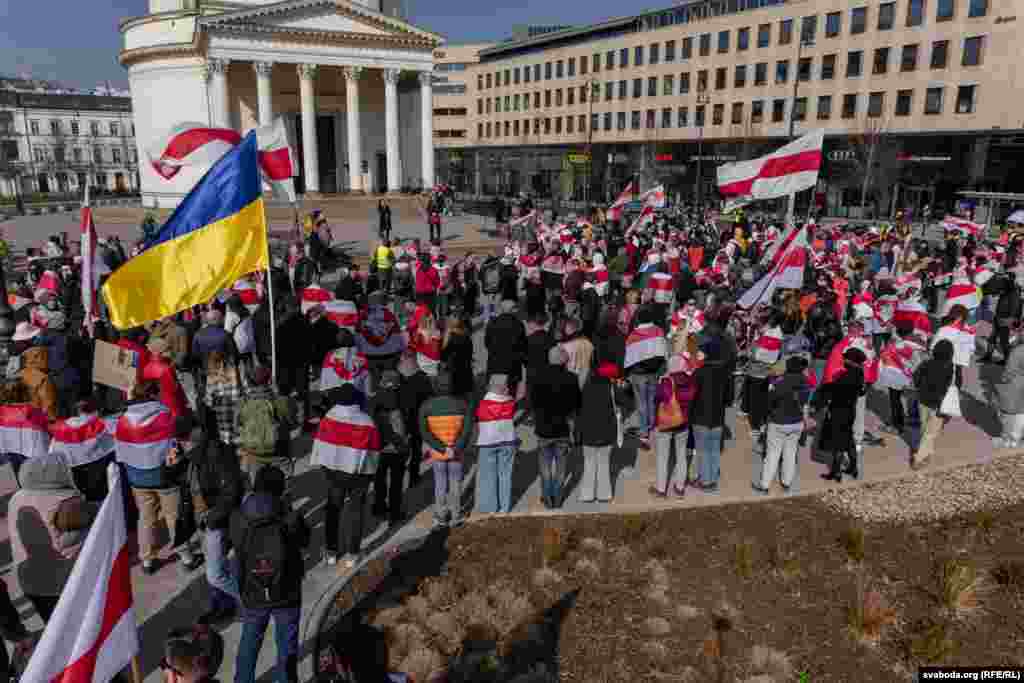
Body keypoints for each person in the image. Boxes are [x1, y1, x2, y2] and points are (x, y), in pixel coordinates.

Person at [231, 465, 309, 683]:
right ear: (281, 489)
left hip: (252, 588)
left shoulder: (239, 516)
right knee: (286, 642)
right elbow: (305, 541)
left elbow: (235, 544)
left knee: (250, 638)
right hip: (287, 589)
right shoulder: (290, 516)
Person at [116, 380, 198, 575]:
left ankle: (147, 560)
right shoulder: (166, 416)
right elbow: (178, 444)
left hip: (137, 478)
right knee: (173, 517)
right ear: (154, 395)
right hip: (165, 477)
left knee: (146, 518)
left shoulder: (123, 421)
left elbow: (121, 453)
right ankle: (186, 556)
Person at [9, 452, 97, 621]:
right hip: (61, 581)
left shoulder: (16, 498)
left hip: (29, 580)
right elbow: (92, 516)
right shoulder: (67, 502)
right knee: (78, 626)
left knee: (54, 628)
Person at [311, 384, 380, 569]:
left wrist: (326, 471)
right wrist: (369, 476)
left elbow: (320, 446)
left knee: (333, 510)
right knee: (356, 512)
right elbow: (373, 453)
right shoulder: (367, 421)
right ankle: (352, 554)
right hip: (358, 475)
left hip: (334, 474)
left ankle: (331, 552)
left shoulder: (328, 418)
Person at [186, 427, 244, 627]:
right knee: (218, 569)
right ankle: (223, 606)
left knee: (216, 574)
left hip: (215, 521)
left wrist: (211, 519)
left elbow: (232, 492)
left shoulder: (217, 456)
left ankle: (251, 601)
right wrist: (170, 467)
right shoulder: (192, 458)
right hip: (205, 520)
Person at [419, 371, 473, 527]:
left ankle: (441, 516)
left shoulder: (426, 406)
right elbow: (467, 430)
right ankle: (456, 515)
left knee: (440, 483)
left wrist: (441, 448)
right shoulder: (463, 405)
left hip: (438, 453)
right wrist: (455, 449)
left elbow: (425, 432)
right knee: (456, 482)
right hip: (457, 453)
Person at [531, 345, 582, 508]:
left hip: (543, 429)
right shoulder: (572, 378)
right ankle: (558, 498)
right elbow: (577, 405)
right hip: (563, 429)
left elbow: (532, 403)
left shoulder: (537, 377)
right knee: (561, 467)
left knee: (545, 467)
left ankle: (547, 497)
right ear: (564, 361)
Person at [755, 356, 812, 495]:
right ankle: (786, 483)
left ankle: (765, 485)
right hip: (796, 422)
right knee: (791, 453)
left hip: (778, 422)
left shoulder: (780, 382)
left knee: (772, 454)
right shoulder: (805, 382)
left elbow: (769, 402)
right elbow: (805, 402)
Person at [814, 348, 868, 483]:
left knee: (837, 443)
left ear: (851, 360)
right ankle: (853, 468)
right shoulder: (860, 373)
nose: (844, 360)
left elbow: (833, 390)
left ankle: (836, 472)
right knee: (848, 440)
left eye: (846, 358)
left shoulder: (847, 375)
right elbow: (861, 392)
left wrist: (826, 388)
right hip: (850, 411)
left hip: (839, 410)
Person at [237, 365, 296, 484]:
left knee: (257, 487)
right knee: (285, 487)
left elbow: (237, 426)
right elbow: (293, 424)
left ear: (248, 382)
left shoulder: (241, 403)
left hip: (253, 454)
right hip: (280, 452)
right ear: (269, 380)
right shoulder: (282, 401)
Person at [49, 397, 115, 502]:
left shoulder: (59, 430)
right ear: (96, 411)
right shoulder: (104, 424)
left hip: (74, 479)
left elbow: (52, 455)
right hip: (99, 476)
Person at [651, 352, 697, 498]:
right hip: (683, 423)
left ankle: (661, 489)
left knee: (662, 457)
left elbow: (658, 398)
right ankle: (680, 487)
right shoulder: (690, 381)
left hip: (666, 423)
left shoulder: (666, 381)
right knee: (681, 455)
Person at [690, 337, 733, 493]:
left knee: (702, 451)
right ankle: (712, 480)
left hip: (700, 417)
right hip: (718, 418)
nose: (698, 354)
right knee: (714, 450)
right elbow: (729, 399)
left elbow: (692, 396)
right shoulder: (725, 373)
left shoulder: (699, 372)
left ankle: (705, 482)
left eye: (701, 351)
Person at [577, 362, 621, 503]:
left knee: (589, 463)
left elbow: (580, 413)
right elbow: (619, 407)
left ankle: (587, 494)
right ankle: (604, 494)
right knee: (604, 463)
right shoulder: (611, 389)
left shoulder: (585, 389)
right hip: (606, 433)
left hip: (588, 433)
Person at [624, 308, 668, 450]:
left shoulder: (633, 335)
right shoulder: (659, 331)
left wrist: (628, 375)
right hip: (654, 373)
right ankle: (651, 426)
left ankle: (644, 432)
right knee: (651, 401)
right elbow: (663, 353)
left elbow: (628, 358)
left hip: (638, 374)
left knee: (641, 403)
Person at [474, 374, 518, 514]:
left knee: (488, 475)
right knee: (505, 474)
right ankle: (504, 507)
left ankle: (490, 507)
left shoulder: (482, 403)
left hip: (487, 443)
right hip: (508, 441)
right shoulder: (510, 402)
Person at [369, 371, 408, 526]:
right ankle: (394, 513)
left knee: (379, 480)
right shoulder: (401, 399)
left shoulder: (373, 400)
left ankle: (379, 507)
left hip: (378, 447)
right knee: (396, 482)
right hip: (397, 448)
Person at [911, 339, 956, 471]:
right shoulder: (949, 367)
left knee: (925, 428)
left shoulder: (926, 363)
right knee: (930, 433)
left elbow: (916, 378)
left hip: (923, 399)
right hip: (938, 404)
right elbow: (948, 387)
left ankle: (927, 452)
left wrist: (920, 388)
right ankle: (919, 458)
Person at [0, 381, 50, 487]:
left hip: (5, 454)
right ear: (26, 393)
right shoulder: (36, 413)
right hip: (31, 455)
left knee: (8, 488)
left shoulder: (1, 412)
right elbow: (47, 431)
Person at [484, 298, 527, 396]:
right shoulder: (519, 325)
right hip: (513, 367)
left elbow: (487, 343)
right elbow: (523, 346)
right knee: (510, 395)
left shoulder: (492, 323)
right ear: (512, 310)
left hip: (495, 365)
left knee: (494, 396)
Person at [205, 351, 243, 458]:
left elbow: (209, 402)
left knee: (228, 449)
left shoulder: (211, 377)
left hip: (221, 419)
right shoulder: (234, 372)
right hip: (236, 415)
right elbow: (242, 392)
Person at [144, 337, 191, 420]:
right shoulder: (165, 369)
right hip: (172, 406)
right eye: (168, 349)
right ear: (160, 352)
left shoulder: (147, 367)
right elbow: (174, 389)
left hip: (157, 407)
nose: (171, 351)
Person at [995, 328, 1024, 449]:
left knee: (1010, 413)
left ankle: (1008, 440)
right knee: (1021, 413)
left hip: (1016, 384)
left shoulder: (1018, 351)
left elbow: (1009, 371)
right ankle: (1017, 438)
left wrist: (1003, 380)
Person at [440, 317, 474, 397]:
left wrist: (445, 338)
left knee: (457, 397)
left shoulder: (450, 337)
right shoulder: (466, 336)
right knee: (467, 395)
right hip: (467, 370)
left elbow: (443, 355)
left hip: (455, 371)